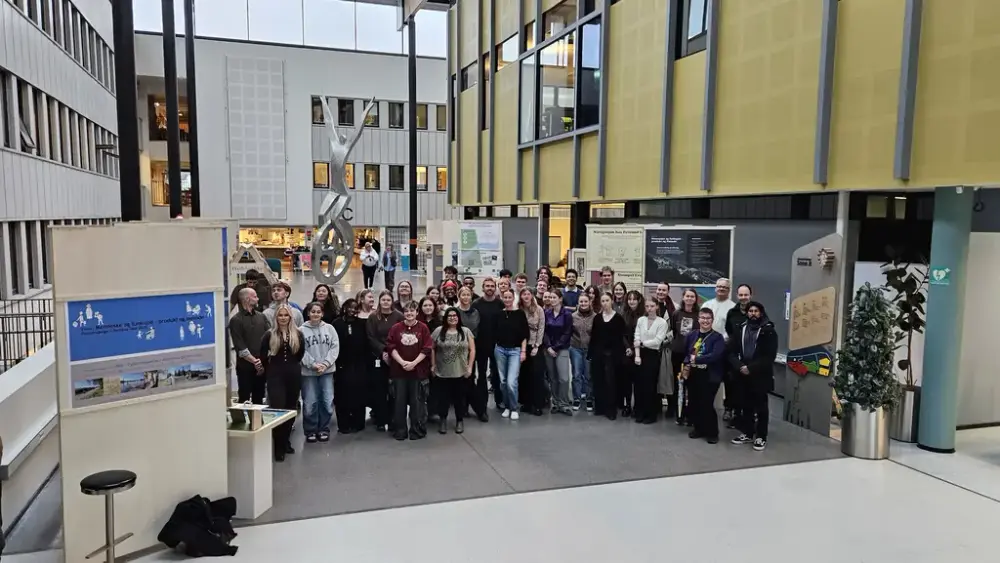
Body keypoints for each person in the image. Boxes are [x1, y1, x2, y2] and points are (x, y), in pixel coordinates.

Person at [729, 301, 777, 451]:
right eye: (750, 311)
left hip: (760, 375)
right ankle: (748, 433)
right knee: (745, 406)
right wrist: (740, 366)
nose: (753, 314)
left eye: (756, 311)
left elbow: (769, 356)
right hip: (742, 374)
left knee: (761, 407)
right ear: (747, 313)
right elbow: (731, 352)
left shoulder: (768, 331)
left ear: (761, 313)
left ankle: (761, 436)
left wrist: (751, 368)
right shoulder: (740, 329)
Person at [259, 304, 305, 461]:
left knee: (291, 409)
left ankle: (285, 441)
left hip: (293, 375)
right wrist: (270, 371)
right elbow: (262, 356)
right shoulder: (269, 335)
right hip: (275, 376)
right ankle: (278, 445)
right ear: (276, 317)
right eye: (280, 315)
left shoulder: (298, 334)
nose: (283, 318)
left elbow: (300, 354)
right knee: (278, 408)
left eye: (286, 315)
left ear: (290, 317)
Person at [386, 302, 434, 440]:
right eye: (406, 311)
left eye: (412, 311)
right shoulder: (396, 328)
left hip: (418, 371)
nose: (409, 313)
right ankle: (400, 431)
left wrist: (414, 363)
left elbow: (427, 348)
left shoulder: (423, 328)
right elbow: (391, 347)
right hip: (398, 372)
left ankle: (417, 431)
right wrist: (402, 362)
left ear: (417, 312)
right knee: (399, 403)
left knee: (417, 403)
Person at [682, 308, 727, 444]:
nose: (705, 321)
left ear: (712, 320)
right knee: (694, 402)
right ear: (698, 319)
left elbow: (715, 356)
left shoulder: (717, 337)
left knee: (706, 403)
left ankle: (712, 433)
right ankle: (698, 429)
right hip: (694, 374)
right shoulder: (692, 335)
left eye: (708, 318)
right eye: (703, 318)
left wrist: (696, 359)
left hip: (710, 375)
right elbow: (687, 353)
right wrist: (687, 364)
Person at [431, 308, 476, 434]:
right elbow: (432, 348)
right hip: (442, 372)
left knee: (459, 398)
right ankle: (443, 420)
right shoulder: (438, 331)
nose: (452, 318)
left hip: (460, 372)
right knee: (443, 398)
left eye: (455, 315)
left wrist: (470, 367)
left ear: (458, 318)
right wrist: (433, 365)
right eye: (449, 316)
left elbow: (472, 350)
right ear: (445, 318)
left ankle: (459, 420)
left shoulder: (466, 331)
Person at [300, 302, 340, 443]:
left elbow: (335, 347)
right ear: (308, 313)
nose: (315, 314)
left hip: (327, 372)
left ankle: (323, 428)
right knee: (310, 402)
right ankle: (310, 430)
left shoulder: (330, 329)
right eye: (313, 311)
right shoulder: (301, 330)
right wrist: (312, 364)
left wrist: (325, 364)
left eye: (318, 312)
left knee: (327, 401)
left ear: (322, 314)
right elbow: (300, 350)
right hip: (308, 373)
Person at [367, 290, 403, 432]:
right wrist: (383, 351)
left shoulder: (399, 316)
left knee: (395, 390)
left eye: (388, 300)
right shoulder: (373, 317)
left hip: (396, 357)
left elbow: (402, 335)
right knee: (380, 390)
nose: (386, 302)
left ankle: (394, 419)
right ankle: (381, 419)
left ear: (392, 301)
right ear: (379, 301)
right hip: (379, 357)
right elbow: (371, 337)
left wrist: (392, 352)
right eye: (383, 300)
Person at [589, 292, 628, 420]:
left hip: (612, 355)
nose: (605, 303)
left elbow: (621, 338)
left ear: (612, 301)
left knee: (611, 382)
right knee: (598, 380)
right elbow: (594, 337)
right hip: (598, 354)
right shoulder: (597, 318)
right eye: (603, 301)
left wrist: (620, 354)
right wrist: (591, 353)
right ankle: (600, 407)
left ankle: (611, 409)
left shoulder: (618, 318)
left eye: (607, 300)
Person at [229, 287, 270, 404]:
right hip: (245, 366)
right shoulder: (236, 320)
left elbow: (269, 337)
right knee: (244, 397)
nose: (258, 299)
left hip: (262, 366)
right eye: (255, 296)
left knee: (259, 397)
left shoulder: (262, 317)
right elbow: (239, 345)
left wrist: (262, 360)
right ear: (247, 299)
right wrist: (254, 361)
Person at [332, 299, 367, 434]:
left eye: (355, 308)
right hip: (342, 364)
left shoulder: (361, 324)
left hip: (359, 364)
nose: (352, 310)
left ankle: (358, 423)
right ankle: (344, 424)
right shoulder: (337, 323)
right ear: (345, 308)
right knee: (342, 394)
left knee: (358, 393)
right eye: (349, 307)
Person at [494, 289, 529, 420]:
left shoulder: (520, 314)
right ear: (502, 298)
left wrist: (523, 351)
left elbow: (525, 334)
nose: (507, 299)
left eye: (510, 297)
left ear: (514, 298)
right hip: (500, 350)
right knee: (503, 382)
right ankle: (507, 406)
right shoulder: (499, 314)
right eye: (505, 297)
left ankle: (514, 408)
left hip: (515, 351)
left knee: (511, 382)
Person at [634, 298, 669, 424]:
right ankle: (639, 412)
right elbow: (636, 337)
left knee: (650, 385)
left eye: (652, 306)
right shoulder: (641, 320)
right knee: (639, 385)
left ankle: (650, 414)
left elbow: (657, 341)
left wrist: (642, 343)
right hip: (640, 354)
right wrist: (637, 355)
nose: (649, 308)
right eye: (647, 306)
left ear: (657, 307)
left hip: (652, 355)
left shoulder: (662, 323)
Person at [723, 283, 754, 427]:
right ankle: (731, 410)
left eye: (746, 295)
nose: (743, 297)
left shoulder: (755, 311)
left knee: (748, 386)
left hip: (750, 355)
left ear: (750, 295)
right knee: (731, 383)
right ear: (737, 296)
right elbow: (729, 330)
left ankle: (747, 414)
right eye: (741, 295)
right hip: (734, 355)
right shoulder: (732, 313)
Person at [472, 277, 503, 417]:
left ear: (495, 288)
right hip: (480, 345)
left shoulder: (499, 303)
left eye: (492, 286)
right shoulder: (476, 304)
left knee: (497, 375)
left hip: (497, 345)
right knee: (482, 376)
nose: (490, 288)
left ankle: (499, 401)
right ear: (483, 288)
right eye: (487, 286)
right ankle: (482, 407)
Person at [670, 288, 700, 424]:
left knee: (691, 384)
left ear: (695, 299)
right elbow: (673, 331)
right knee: (679, 383)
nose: (689, 298)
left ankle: (690, 414)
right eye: (687, 296)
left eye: (692, 296)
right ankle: (679, 414)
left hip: (692, 354)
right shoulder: (676, 313)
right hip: (677, 353)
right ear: (683, 298)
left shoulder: (699, 314)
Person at [543, 289, 574, 415]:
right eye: (550, 297)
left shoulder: (567, 314)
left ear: (560, 299)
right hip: (548, 349)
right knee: (553, 378)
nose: (552, 300)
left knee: (563, 378)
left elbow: (567, 333)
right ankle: (555, 403)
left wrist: (555, 347)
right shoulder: (546, 313)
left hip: (562, 349)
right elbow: (544, 331)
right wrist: (549, 346)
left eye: (554, 297)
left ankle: (564, 403)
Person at [519, 288, 547, 416]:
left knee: (537, 376)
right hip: (522, 346)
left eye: (528, 294)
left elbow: (541, 327)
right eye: (524, 294)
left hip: (535, 345)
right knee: (525, 376)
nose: (526, 296)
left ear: (532, 295)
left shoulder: (539, 309)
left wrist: (537, 345)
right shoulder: (519, 309)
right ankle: (526, 403)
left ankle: (538, 405)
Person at [619, 290, 644, 418]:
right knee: (626, 382)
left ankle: (637, 407)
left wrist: (634, 349)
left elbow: (643, 334)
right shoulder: (624, 314)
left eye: (634, 299)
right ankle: (627, 405)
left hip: (640, 350)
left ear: (639, 300)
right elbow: (621, 333)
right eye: (629, 299)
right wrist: (628, 348)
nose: (631, 301)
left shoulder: (644, 315)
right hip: (626, 351)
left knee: (638, 382)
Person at [570, 293, 595, 411]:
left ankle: (589, 398)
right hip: (575, 348)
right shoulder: (573, 316)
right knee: (576, 374)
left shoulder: (595, 317)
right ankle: (577, 398)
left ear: (590, 302)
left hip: (589, 349)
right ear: (578, 303)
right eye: (581, 301)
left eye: (585, 301)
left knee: (589, 375)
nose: (583, 304)